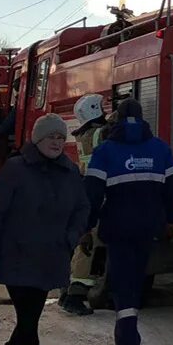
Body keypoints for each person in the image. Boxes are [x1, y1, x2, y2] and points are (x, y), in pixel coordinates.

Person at [0, 111, 91, 345]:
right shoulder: (15, 169)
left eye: (60, 137)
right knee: (28, 318)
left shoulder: (69, 171)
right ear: (37, 139)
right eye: (51, 136)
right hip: (16, 257)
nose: (56, 142)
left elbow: (82, 208)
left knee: (30, 320)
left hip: (50, 257)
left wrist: (70, 237)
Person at [83, 95, 173, 345]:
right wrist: (171, 220)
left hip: (117, 227)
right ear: (142, 118)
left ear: (115, 119)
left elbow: (91, 194)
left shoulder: (105, 151)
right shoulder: (161, 149)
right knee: (135, 278)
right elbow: (172, 191)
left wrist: (85, 227)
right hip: (149, 227)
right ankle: (128, 340)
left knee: (123, 283)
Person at [61, 95, 110, 316]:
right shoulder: (98, 134)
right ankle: (74, 295)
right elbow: (113, 134)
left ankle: (68, 292)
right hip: (98, 195)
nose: (105, 111)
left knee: (89, 244)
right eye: (101, 108)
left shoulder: (85, 135)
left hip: (90, 193)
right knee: (90, 245)